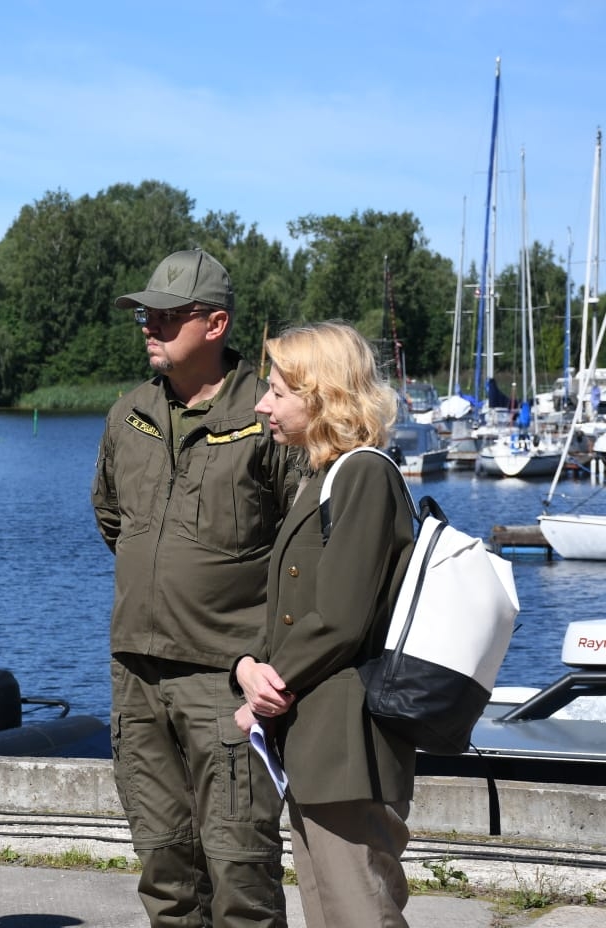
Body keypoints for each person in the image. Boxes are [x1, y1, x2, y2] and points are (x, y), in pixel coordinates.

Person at [91, 249, 301, 927]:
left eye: (167, 315)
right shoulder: (129, 414)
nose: (149, 326)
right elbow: (112, 519)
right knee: (165, 875)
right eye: (144, 315)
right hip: (137, 676)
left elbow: (305, 550)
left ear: (215, 325)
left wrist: (267, 654)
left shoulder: (266, 417)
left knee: (241, 877)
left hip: (226, 682)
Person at [233, 322, 418, 928]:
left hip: (348, 750)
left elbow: (339, 617)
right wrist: (247, 667)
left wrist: (266, 688)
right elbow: (291, 607)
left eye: (278, 391)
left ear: (322, 397)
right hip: (317, 747)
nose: (263, 405)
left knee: (359, 914)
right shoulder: (325, 475)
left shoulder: (364, 474)